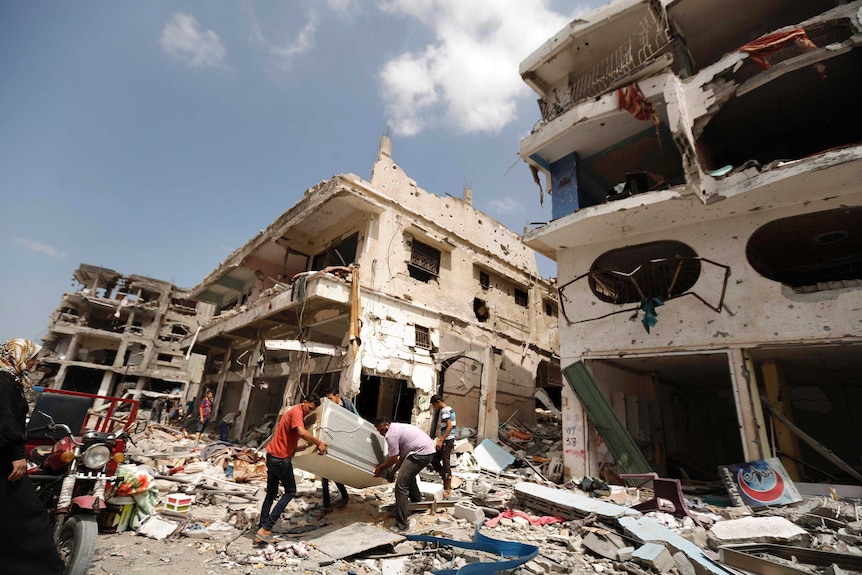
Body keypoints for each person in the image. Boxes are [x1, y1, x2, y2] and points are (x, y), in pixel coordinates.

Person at [0, 339, 65, 575]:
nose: (35, 362)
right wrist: (17, 454)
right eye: (32, 357)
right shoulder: (4, 381)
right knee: (30, 517)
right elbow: (5, 421)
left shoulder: (8, 379)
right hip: (5, 459)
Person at [256, 394, 327, 544]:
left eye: (312, 410)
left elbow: (282, 431)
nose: (309, 412)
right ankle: (266, 527)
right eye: (309, 408)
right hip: (281, 459)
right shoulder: (297, 412)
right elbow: (301, 432)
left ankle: (261, 528)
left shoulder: (292, 412)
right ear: (304, 402)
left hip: (272, 456)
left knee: (272, 493)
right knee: (290, 491)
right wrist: (318, 442)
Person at [373, 418, 436, 532]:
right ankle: (418, 504)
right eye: (379, 431)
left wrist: (379, 468)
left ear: (387, 425)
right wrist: (392, 472)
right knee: (408, 477)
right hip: (428, 451)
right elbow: (401, 457)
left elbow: (393, 459)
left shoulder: (390, 435)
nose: (381, 433)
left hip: (420, 453)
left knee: (401, 486)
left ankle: (402, 524)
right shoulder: (397, 427)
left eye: (381, 430)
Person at [320, 390, 357, 509]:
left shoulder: (348, 406)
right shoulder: (328, 407)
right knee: (323, 471)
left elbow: (357, 420)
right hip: (330, 439)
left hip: (344, 441)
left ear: (337, 396)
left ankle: (344, 496)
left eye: (331, 398)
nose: (329, 401)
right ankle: (326, 504)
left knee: (335, 470)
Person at [430, 394, 456, 498]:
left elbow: (449, 427)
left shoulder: (445, 411)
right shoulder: (449, 409)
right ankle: (444, 480)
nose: (434, 407)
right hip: (448, 439)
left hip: (447, 440)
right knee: (435, 460)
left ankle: (448, 488)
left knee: (446, 463)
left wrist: (441, 440)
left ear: (438, 402)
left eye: (434, 405)